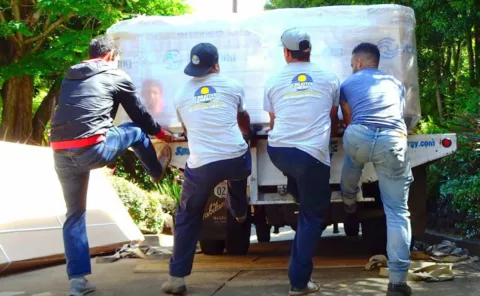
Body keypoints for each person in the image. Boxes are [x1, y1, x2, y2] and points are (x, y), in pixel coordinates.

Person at [50, 36, 171, 296]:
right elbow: (139, 113)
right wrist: (161, 133)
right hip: (92, 148)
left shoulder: (70, 77)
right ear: (109, 56)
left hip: (61, 151)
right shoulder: (115, 74)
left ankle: (78, 282)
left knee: (74, 216)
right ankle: (156, 171)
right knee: (137, 131)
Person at [161, 43, 253, 295]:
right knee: (238, 177)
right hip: (236, 157)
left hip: (202, 165)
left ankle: (176, 279)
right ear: (216, 65)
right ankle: (240, 211)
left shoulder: (180, 95)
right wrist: (249, 133)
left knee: (187, 215)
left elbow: (190, 129)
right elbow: (242, 120)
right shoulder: (232, 86)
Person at [264, 28, 340, 295]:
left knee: (301, 185)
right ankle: (299, 282)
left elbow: (274, 123)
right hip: (311, 157)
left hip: (279, 152)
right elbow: (332, 119)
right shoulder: (330, 78)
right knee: (312, 216)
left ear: (286, 52)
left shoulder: (273, 81)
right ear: (309, 50)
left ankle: (297, 192)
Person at [339, 42, 413, 296]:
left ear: (358, 63)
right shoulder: (396, 84)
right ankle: (398, 282)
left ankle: (348, 200)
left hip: (359, 137)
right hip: (392, 141)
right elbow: (400, 116)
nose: (352, 69)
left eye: (352, 65)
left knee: (353, 156)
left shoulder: (347, 85)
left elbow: (347, 118)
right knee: (397, 212)